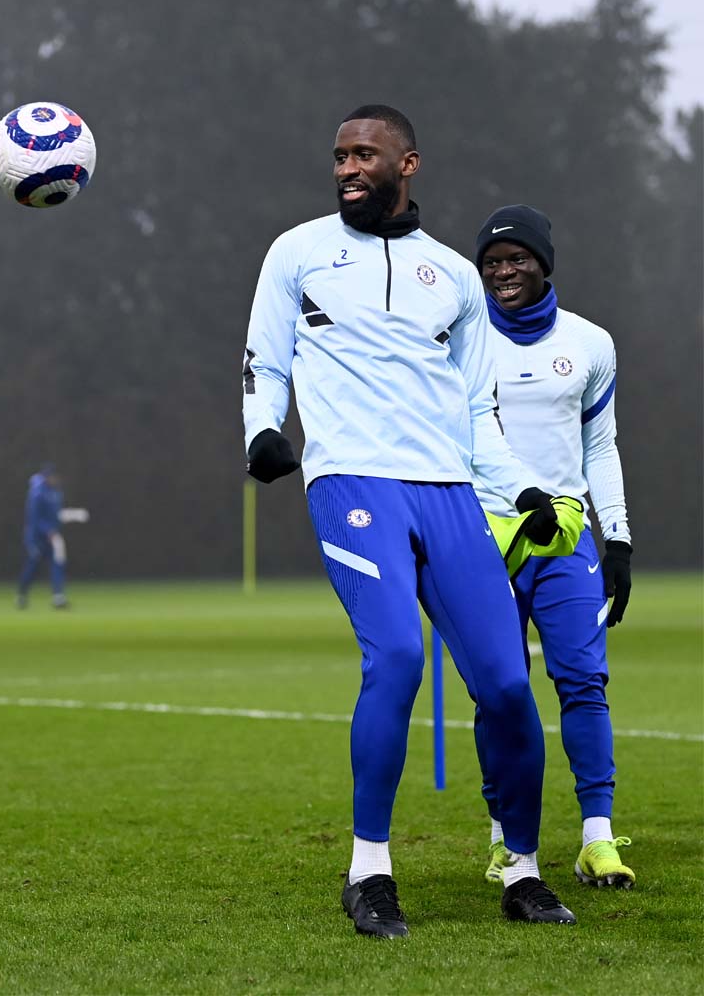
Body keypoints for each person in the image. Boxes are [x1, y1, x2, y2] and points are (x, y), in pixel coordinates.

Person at [242, 104, 577, 935]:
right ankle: (369, 872)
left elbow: (476, 411)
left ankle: (523, 871)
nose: (347, 167)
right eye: (339, 156)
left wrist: (524, 489)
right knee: (394, 656)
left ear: (408, 163)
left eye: (364, 154)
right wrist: (262, 430)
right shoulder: (298, 251)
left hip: (450, 493)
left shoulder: (454, 279)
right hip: (352, 481)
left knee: (506, 686)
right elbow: (264, 355)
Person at [472, 204, 635, 890]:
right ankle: (505, 840)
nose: (504, 271)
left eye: (517, 258)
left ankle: (597, 839)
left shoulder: (592, 343)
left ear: (543, 262)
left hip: (566, 538)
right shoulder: (460, 336)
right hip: (483, 538)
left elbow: (600, 447)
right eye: (492, 262)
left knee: (583, 682)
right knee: (501, 694)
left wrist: (618, 535)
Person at [17, 463, 89, 609]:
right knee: (32, 567)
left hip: (53, 537)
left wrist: (74, 515)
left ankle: (58, 596)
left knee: (58, 564)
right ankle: (21, 595)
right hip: (36, 538)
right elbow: (34, 518)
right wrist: (47, 530)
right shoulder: (37, 493)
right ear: (47, 477)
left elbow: (56, 516)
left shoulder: (56, 492)